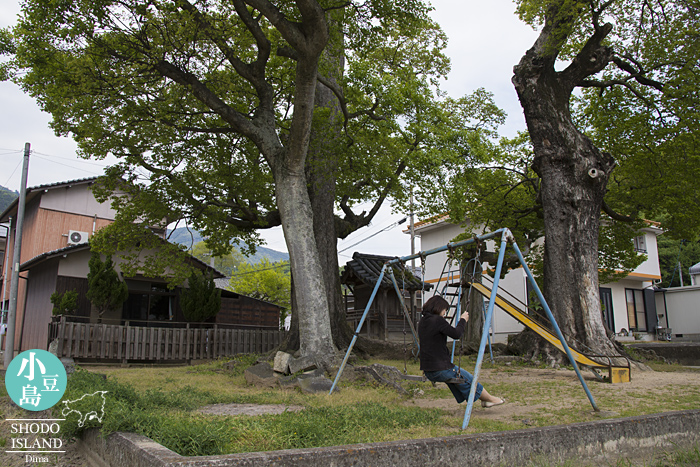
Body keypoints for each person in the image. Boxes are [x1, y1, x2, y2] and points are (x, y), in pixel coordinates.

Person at [418, 295, 505, 408]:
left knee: (460, 380)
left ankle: (485, 400)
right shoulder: (438, 320)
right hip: (440, 368)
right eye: (445, 310)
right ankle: (490, 399)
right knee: (469, 380)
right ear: (439, 308)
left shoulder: (423, 321)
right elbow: (456, 334)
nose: (445, 313)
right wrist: (463, 320)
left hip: (428, 370)